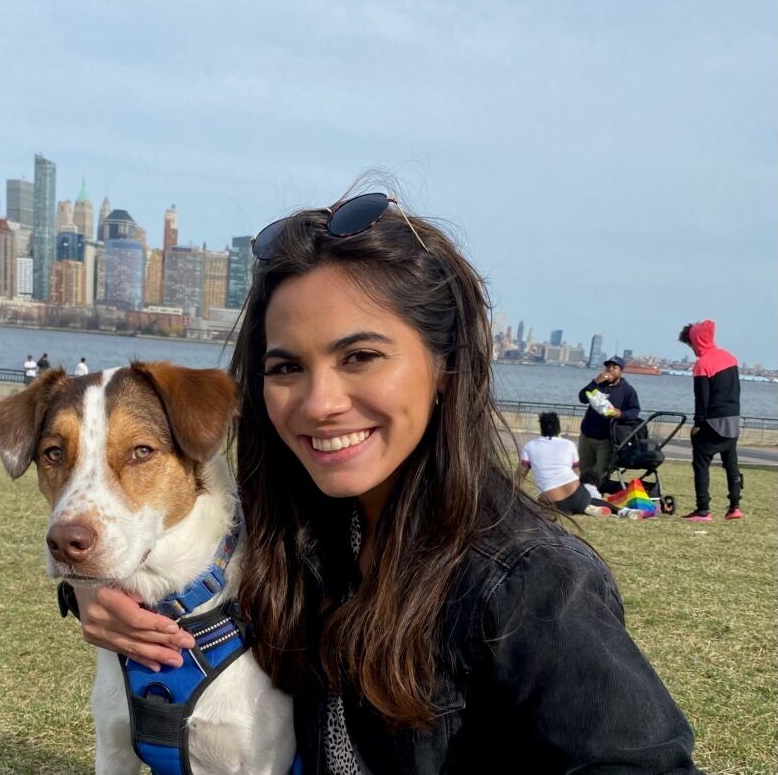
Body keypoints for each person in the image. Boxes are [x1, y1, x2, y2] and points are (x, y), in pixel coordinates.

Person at [68, 190, 700, 771]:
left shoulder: (527, 580)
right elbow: (180, 562)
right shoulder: (297, 531)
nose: (319, 402)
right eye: (287, 366)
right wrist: (97, 596)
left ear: (445, 365)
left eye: (360, 357)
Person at [679, 320, 743, 521]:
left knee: (701, 461)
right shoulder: (730, 357)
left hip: (713, 420)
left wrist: (698, 424)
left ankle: (703, 509)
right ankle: (734, 506)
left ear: (696, 341)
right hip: (733, 418)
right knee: (731, 462)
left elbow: (702, 398)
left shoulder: (702, 364)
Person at [518, 412, 610, 516]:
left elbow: (519, 477)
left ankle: (564, 510)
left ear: (541, 428)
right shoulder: (569, 444)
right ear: (559, 428)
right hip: (579, 495)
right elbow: (576, 473)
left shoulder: (530, 446)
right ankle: (616, 510)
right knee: (584, 499)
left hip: (555, 501)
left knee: (541, 503)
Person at [577, 356, 640, 479]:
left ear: (620, 371)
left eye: (614, 367)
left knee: (600, 474)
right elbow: (582, 398)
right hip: (587, 436)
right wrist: (595, 381)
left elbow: (634, 411)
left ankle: (597, 496)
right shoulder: (599, 385)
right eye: (608, 366)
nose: (610, 369)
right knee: (584, 472)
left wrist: (620, 414)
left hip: (606, 440)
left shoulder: (628, 390)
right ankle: (584, 496)